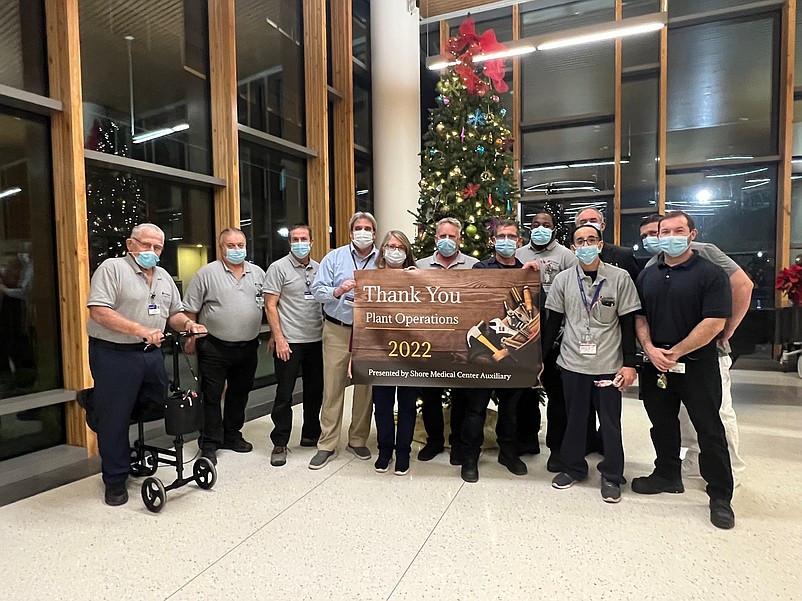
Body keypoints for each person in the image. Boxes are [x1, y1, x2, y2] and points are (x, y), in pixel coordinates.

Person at [85, 223, 206, 506]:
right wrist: (139, 329)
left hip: (151, 354)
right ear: (131, 244)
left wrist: (189, 324)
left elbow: (173, 313)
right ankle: (115, 478)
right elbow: (99, 312)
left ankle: (100, 406)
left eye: (157, 247)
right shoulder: (112, 269)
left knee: (154, 405)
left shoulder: (163, 277)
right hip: (114, 354)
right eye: (146, 245)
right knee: (115, 417)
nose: (152, 251)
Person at [634, 210, 735, 530]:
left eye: (679, 230)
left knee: (709, 429)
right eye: (665, 231)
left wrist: (676, 352)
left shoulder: (710, 273)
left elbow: (715, 321)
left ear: (692, 234)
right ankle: (666, 474)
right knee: (661, 424)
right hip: (656, 365)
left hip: (696, 365)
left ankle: (720, 495)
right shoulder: (648, 273)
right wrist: (650, 350)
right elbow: (640, 317)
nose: (671, 237)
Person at [543, 225, 640, 503]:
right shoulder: (562, 280)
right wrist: (540, 359)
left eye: (591, 240)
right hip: (573, 363)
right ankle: (573, 467)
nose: (585, 245)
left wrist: (630, 363)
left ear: (600, 244)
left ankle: (611, 475)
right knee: (574, 419)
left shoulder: (619, 278)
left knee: (610, 422)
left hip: (609, 364)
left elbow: (628, 322)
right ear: (573, 248)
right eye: (579, 241)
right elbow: (553, 323)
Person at [183, 228, 266, 466]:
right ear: (221, 248)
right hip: (214, 346)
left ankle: (232, 435)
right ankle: (209, 442)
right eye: (231, 245)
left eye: (240, 245)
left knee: (240, 393)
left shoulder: (258, 273)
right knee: (211, 395)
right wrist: (190, 338)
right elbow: (191, 308)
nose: (237, 249)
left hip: (248, 346)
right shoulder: (206, 274)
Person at [460, 219, 530, 483]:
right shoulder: (480, 269)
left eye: (511, 237)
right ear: (493, 241)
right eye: (501, 236)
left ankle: (508, 453)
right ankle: (469, 458)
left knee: (510, 409)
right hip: (484, 353)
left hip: (513, 356)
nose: (506, 241)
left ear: (519, 242)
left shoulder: (526, 273)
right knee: (475, 408)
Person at [308, 212, 378, 469]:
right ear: (350, 233)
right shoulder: (334, 257)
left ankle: (357, 440)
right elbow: (317, 290)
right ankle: (327, 443)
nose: (363, 232)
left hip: (371, 333)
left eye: (367, 228)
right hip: (337, 329)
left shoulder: (382, 259)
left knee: (365, 389)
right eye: (358, 228)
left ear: (374, 233)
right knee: (333, 387)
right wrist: (338, 291)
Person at [515, 211, 579, 469]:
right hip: (523, 334)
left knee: (557, 395)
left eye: (546, 225)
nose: (540, 228)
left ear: (554, 229)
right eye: (535, 225)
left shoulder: (566, 255)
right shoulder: (519, 255)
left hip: (556, 336)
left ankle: (556, 447)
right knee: (524, 392)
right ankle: (527, 438)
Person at [415, 217, 478, 464]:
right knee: (430, 395)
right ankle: (434, 442)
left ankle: (458, 442)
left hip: (462, 342)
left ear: (460, 240)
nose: (447, 241)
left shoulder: (474, 266)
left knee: (461, 396)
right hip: (430, 341)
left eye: (452, 237)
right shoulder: (420, 265)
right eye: (443, 236)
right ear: (435, 239)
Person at [263, 224, 324, 467]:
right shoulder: (278, 268)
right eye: (295, 239)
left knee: (314, 391)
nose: (300, 243)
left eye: (304, 239)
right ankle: (280, 441)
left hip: (316, 341)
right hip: (289, 341)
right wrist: (278, 338)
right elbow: (270, 305)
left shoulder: (320, 268)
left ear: (312, 241)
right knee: (284, 394)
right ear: (290, 243)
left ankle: (310, 434)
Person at [372, 230, 418, 476]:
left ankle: (403, 453)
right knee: (382, 405)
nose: (395, 250)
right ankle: (384, 450)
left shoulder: (419, 277)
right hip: (380, 353)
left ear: (407, 251)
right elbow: (361, 320)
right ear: (383, 250)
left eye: (400, 247)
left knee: (408, 405)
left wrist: (417, 281)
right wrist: (354, 354)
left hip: (412, 353)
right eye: (390, 246)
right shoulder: (372, 279)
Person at [575, 207, 641, 282]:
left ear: (602, 226)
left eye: (593, 221)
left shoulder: (623, 255)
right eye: (583, 222)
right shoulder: (572, 257)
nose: (588, 224)